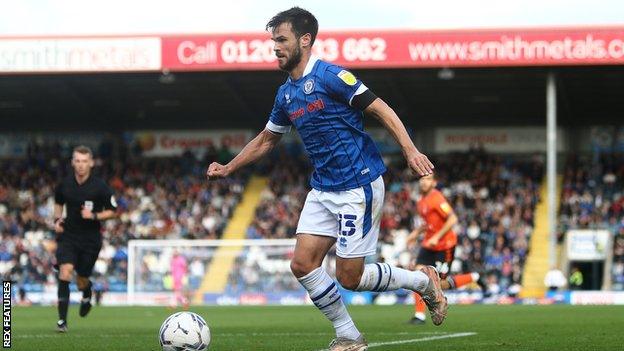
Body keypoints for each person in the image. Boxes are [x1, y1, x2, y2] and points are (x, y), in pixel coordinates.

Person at [207, 7, 446, 350]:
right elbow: (266, 139)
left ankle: (422, 281)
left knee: (350, 277)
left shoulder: (332, 76)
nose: (274, 46)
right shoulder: (285, 94)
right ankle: (349, 336)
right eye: (272, 40)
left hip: (357, 185)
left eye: (281, 39)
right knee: (302, 264)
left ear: (305, 40)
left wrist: (410, 151)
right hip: (323, 188)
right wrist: (230, 168)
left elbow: (381, 108)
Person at [53, 145, 118, 332]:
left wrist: (95, 216)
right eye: (78, 161)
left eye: (84, 161)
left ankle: (87, 292)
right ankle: (62, 321)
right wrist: (57, 220)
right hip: (68, 236)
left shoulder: (100, 187)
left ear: (91, 163)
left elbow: (113, 211)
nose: (81, 165)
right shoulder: (64, 184)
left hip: (90, 240)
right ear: (73, 163)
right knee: (65, 272)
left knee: (82, 278)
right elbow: (58, 203)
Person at [406, 174, 484, 324]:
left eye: (428, 179)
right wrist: (415, 234)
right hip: (429, 245)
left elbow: (453, 218)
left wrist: (437, 236)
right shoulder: (421, 201)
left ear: (434, 183)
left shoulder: (437, 198)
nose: (424, 181)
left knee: (440, 285)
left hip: (445, 245)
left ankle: (474, 277)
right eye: (422, 178)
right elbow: (427, 223)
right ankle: (419, 316)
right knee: (417, 276)